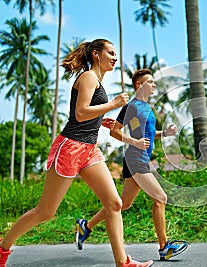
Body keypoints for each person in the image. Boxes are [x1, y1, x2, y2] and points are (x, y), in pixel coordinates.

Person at [0, 39, 153, 267]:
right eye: (110, 53)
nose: (115, 57)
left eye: (115, 54)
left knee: (114, 203)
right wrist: (112, 105)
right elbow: (80, 114)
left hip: (90, 150)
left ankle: (123, 262)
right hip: (70, 147)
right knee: (45, 211)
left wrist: (102, 121)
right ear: (95, 54)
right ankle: (3, 247)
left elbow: (86, 114)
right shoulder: (89, 77)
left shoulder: (97, 81)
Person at [75, 69, 189, 261]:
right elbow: (115, 132)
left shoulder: (146, 107)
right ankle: (164, 247)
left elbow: (148, 134)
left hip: (139, 159)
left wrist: (165, 134)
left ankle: (86, 226)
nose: (154, 85)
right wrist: (135, 142)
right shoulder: (132, 106)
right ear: (139, 85)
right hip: (136, 159)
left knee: (124, 204)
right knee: (160, 198)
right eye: (150, 82)